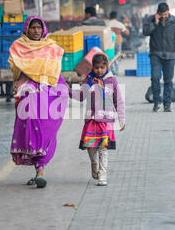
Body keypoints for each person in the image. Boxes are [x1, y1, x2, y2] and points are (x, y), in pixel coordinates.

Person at [8, 16, 68, 188]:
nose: (36, 31)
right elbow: (16, 69)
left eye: (38, 28)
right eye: (32, 27)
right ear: (27, 28)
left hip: (49, 89)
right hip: (27, 91)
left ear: (43, 29)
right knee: (32, 128)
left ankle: (40, 168)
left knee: (47, 128)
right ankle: (39, 169)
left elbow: (55, 71)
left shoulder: (51, 47)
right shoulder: (18, 46)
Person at [68, 52, 125, 186]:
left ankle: (103, 175)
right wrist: (68, 90)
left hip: (106, 121)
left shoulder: (112, 81)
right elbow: (81, 96)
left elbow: (119, 101)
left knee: (103, 149)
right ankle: (94, 165)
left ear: (107, 67)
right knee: (91, 148)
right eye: (96, 67)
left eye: (102, 67)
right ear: (92, 67)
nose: (99, 70)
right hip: (91, 121)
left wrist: (121, 118)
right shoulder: (88, 81)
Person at [143, 2, 175, 112]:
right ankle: (157, 102)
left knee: (168, 81)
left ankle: (167, 104)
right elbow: (145, 32)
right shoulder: (150, 20)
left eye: (166, 14)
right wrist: (155, 23)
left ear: (168, 11)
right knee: (155, 78)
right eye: (162, 15)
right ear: (157, 13)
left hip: (170, 55)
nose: (164, 17)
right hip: (155, 54)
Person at [107, 11, 130, 75]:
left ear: (110, 16)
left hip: (109, 42)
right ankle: (116, 71)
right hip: (117, 41)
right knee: (117, 56)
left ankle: (110, 71)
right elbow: (127, 33)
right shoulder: (119, 24)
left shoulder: (107, 24)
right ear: (116, 17)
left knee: (110, 56)